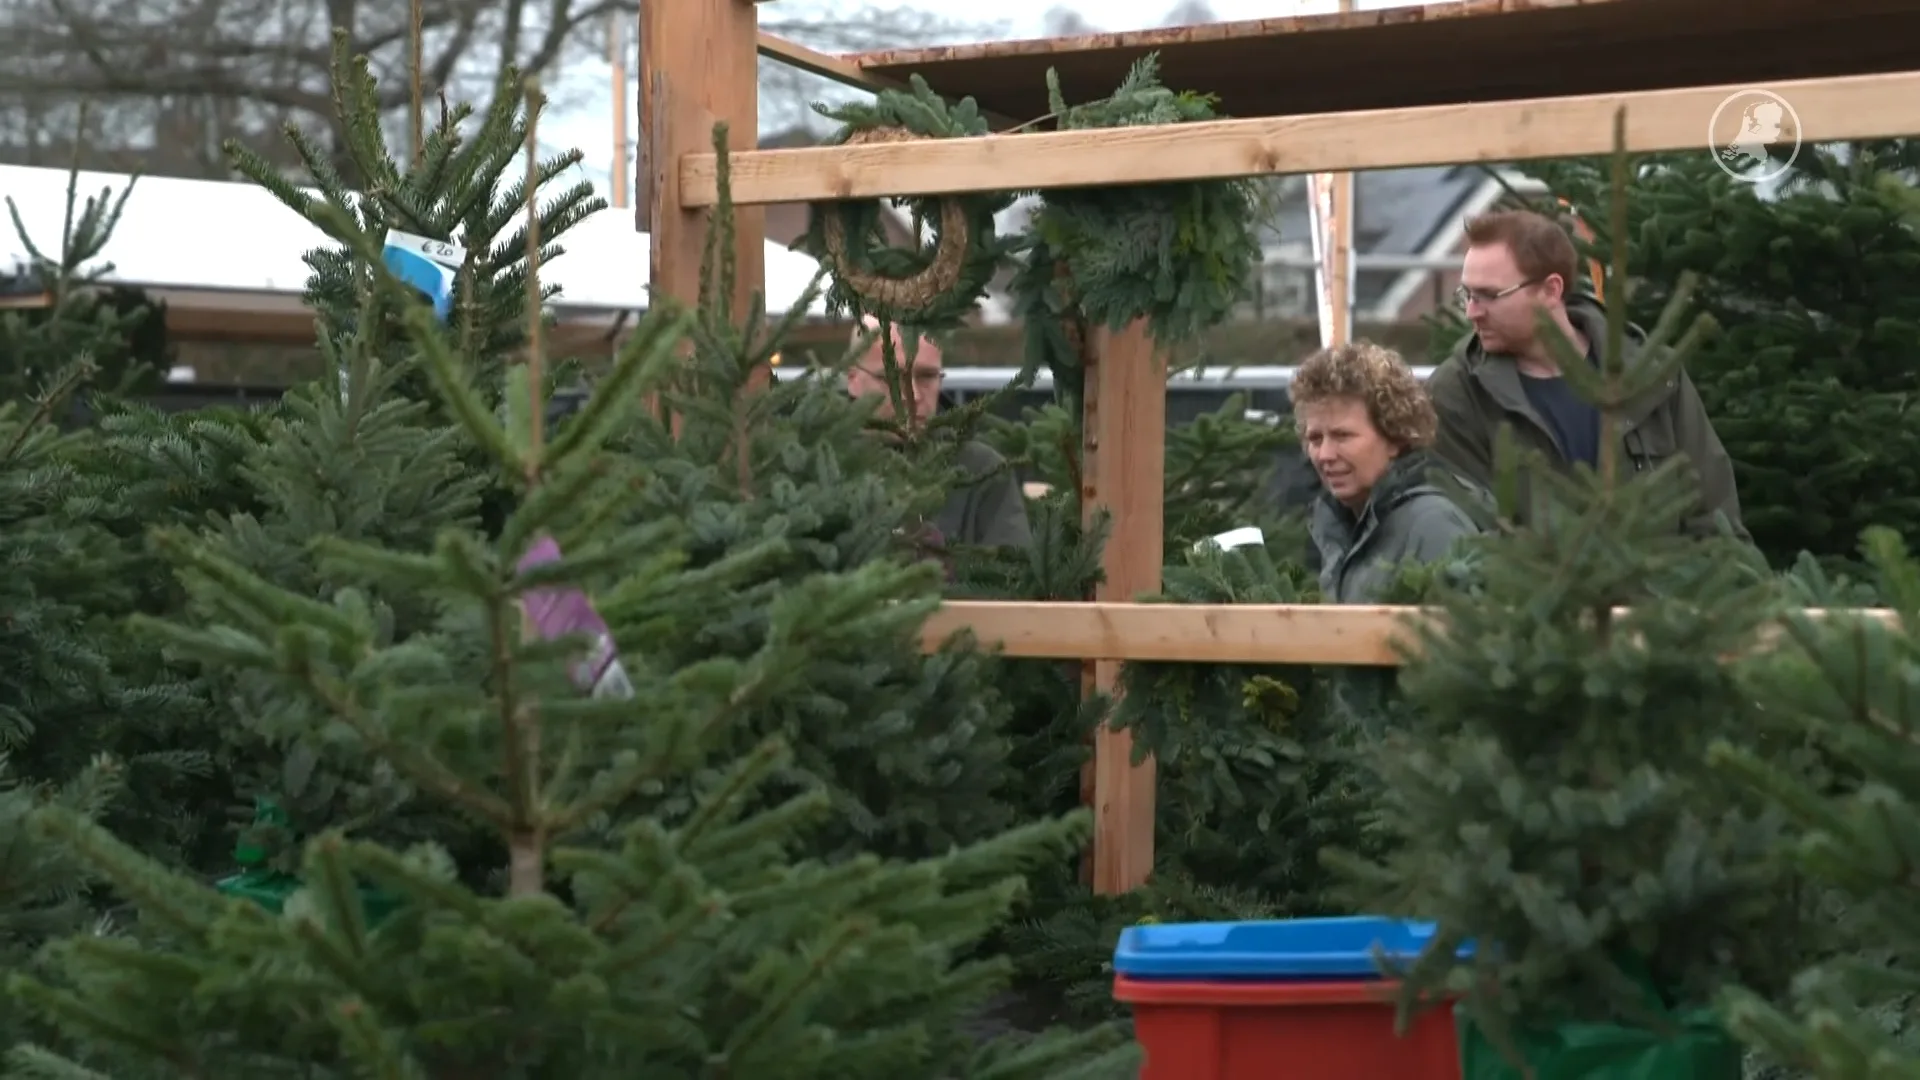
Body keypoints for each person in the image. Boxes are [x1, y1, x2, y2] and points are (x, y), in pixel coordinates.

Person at [1428, 209, 1750, 542]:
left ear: (1551, 290)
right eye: (1467, 294)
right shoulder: (1457, 393)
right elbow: (1467, 545)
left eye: (1488, 296)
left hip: (1667, 592)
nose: (1471, 312)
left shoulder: (1654, 374)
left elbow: (1716, 519)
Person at [1294, 340, 1480, 603]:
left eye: (1342, 436)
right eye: (1314, 439)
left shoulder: (1433, 524)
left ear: (1395, 437)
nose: (1324, 454)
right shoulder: (1340, 526)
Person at [846, 319, 1032, 550]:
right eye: (891, 377)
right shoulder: (814, 462)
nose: (912, 395)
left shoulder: (983, 470)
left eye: (926, 376)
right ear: (852, 379)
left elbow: (1014, 575)